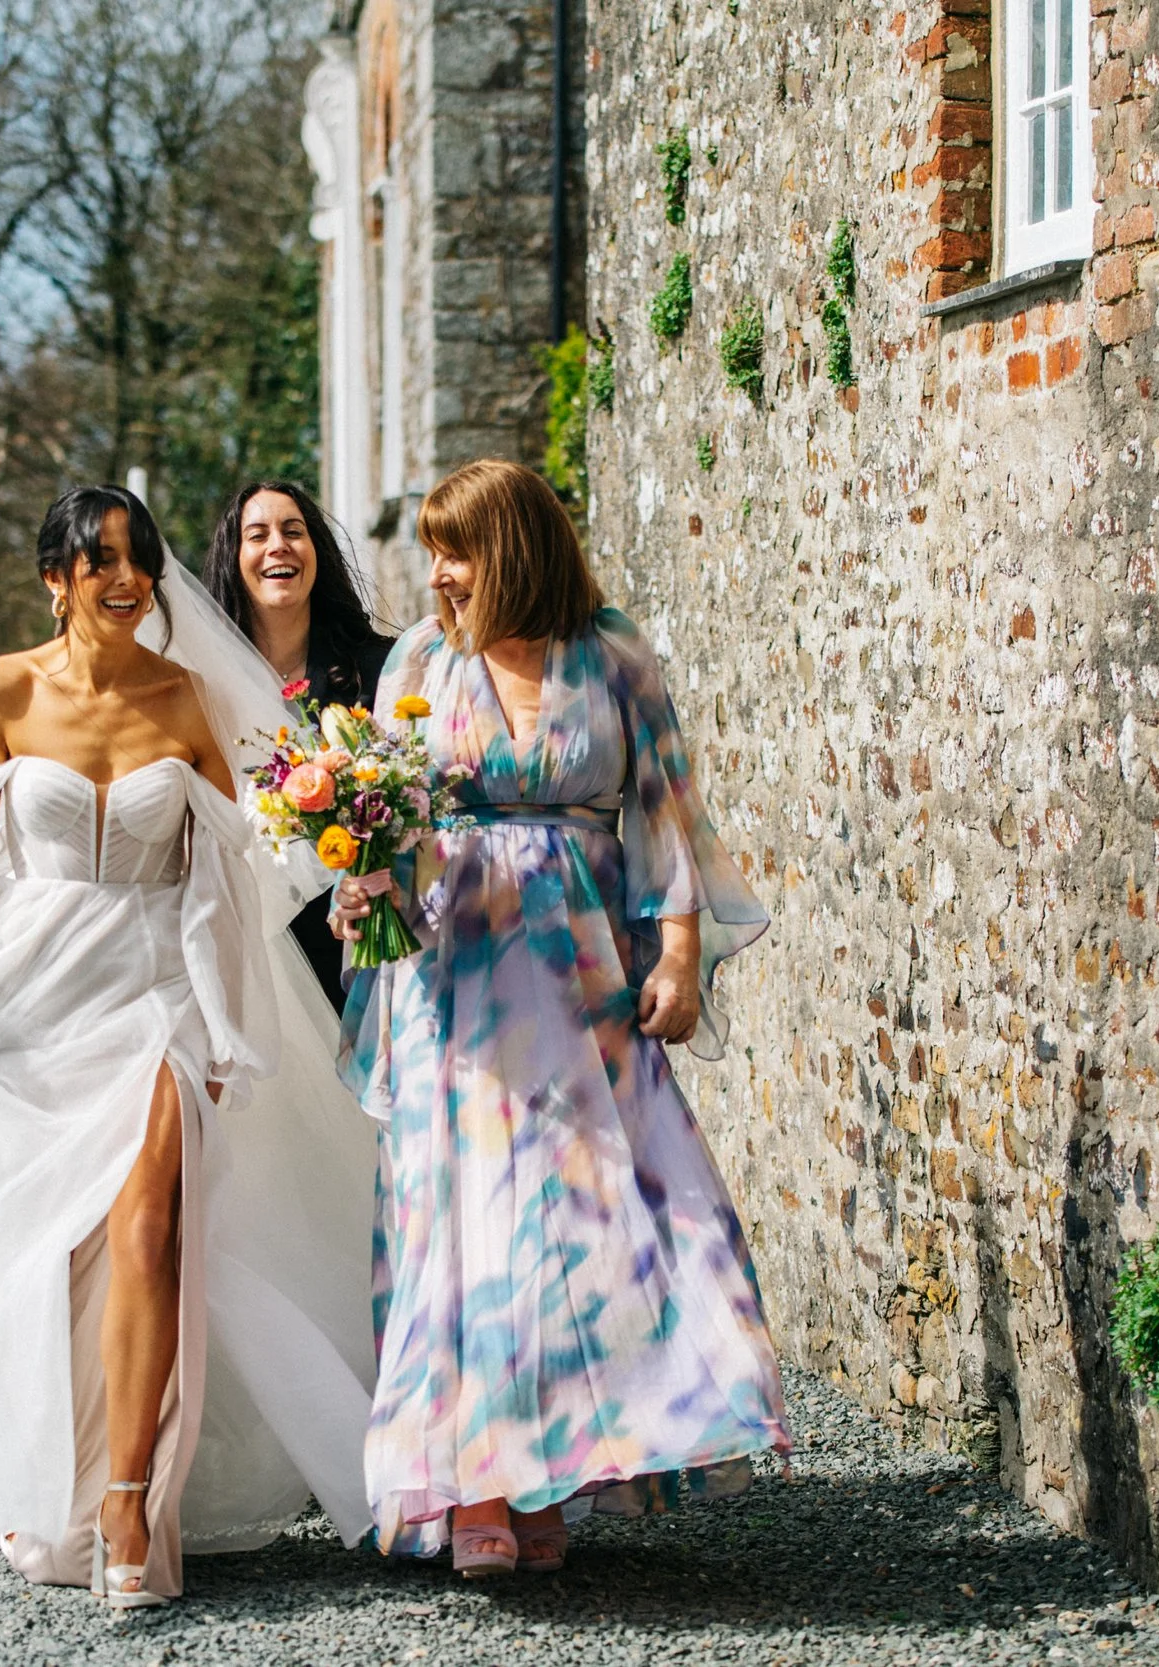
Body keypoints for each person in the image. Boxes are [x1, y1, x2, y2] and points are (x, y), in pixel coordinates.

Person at [0, 485, 376, 1608]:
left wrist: (348, 836)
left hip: (155, 994)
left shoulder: (189, 697)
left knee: (149, 1231)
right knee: (34, 1257)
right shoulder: (1, 690)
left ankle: (129, 1498)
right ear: (54, 579)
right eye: (95, 559)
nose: (121, 577)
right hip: (27, 1003)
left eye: (135, 557)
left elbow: (262, 847)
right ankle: (50, 1471)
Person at [332, 458, 789, 1576]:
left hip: (587, 975)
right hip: (454, 976)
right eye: (433, 550)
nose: (438, 573)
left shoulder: (611, 654)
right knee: (471, 1224)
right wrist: (363, 877)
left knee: (586, 1221)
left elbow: (665, 809)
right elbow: (387, 819)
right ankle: (480, 1482)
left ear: (516, 550)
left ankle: (553, 1470)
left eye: (458, 550)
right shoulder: (420, 665)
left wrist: (680, 955)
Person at [204, 480, 395, 1007]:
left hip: (361, 936)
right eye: (257, 535)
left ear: (318, 552)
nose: (278, 547)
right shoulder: (202, 688)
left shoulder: (378, 669)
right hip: (247, 937)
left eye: (294, 532)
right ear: (234, 557)